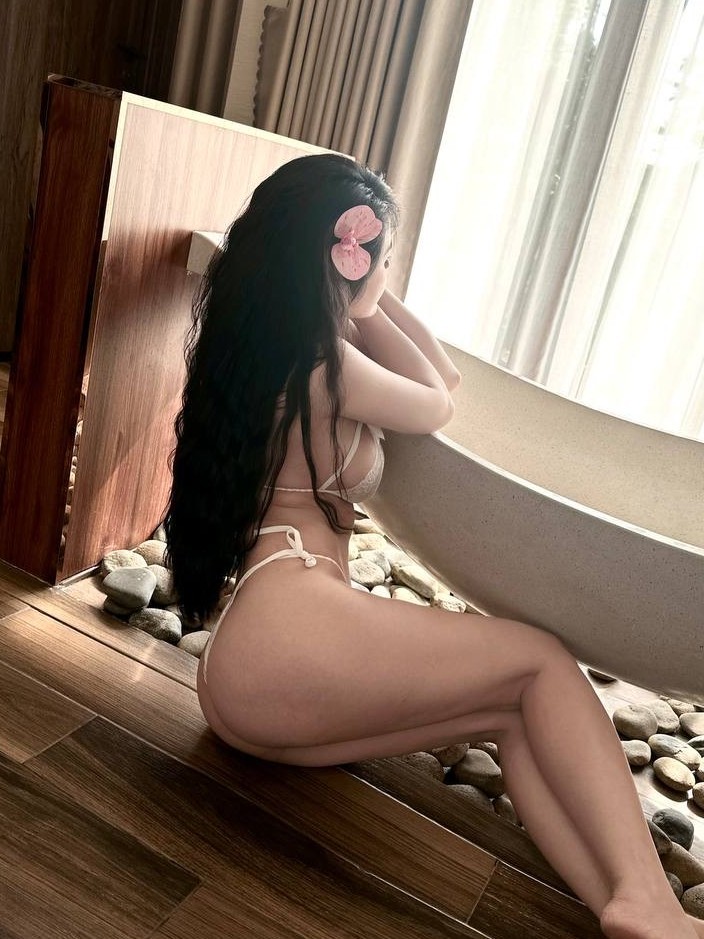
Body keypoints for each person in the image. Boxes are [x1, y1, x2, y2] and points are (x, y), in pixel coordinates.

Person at [163, 152, 702, 939]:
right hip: (283, 641)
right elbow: (440, 395)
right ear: (342, 257)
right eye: (383, 256)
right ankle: (651, 903)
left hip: (250, 682)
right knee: (543, 659)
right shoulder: (322, 362)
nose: (388, 273)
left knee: (512, 712)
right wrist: (370, 294)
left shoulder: (273, 346)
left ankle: (632, 909)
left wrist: (356, 285)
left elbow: (439, 381)